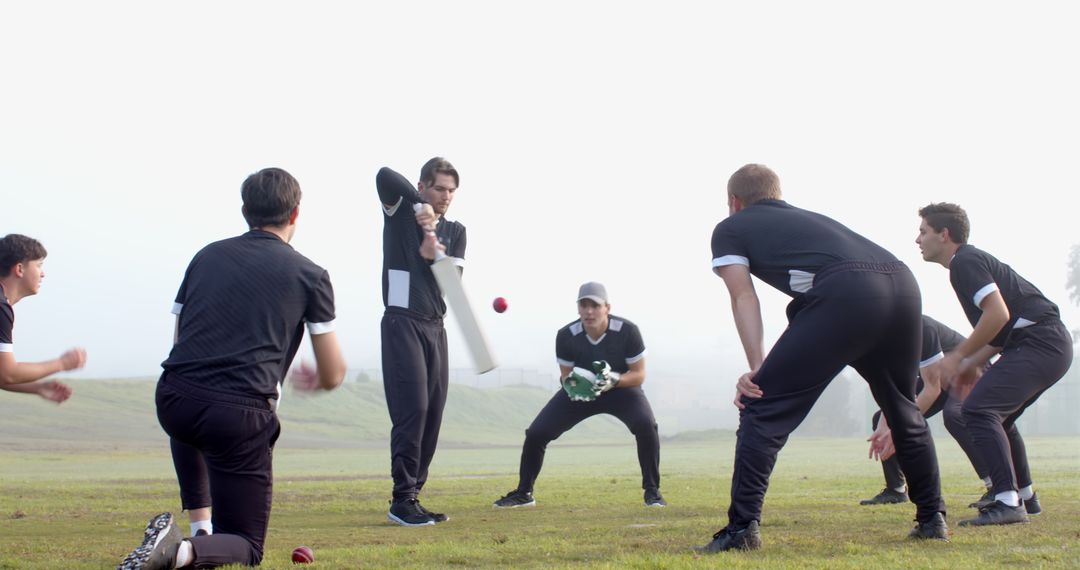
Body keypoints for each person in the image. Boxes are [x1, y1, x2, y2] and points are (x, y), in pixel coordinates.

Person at [702, 164, 946, 553]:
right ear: (778, 196)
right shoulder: (809, 220)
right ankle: (932, 518)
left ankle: (742, 529)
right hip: (902, 284)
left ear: (735, 201)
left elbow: (743, 295)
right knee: (903, 409)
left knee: (760, 404)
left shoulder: (731, 226)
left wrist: (757, 368)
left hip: (848, 290)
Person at [118, 167, 347, 569]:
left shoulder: (207, 256)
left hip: (175, 396)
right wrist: (317, 380)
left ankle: (200, 530)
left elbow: (180, 339)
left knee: (193, 419)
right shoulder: (311, 275)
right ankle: (180, 550)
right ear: (295, 214)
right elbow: (333, 373)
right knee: (246, 545)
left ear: (245, 210)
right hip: (239, 413)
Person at [917, 202, 1072, 527]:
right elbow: (1002, 330)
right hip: (1046, 343)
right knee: (996, 415)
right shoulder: (965, 265)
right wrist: (973, 362)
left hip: (1041, 342)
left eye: (923, 231)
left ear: (944, 234)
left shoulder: (965, 261)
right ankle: (1025, 497)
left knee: (976, 410)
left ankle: (1007, 502)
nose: (917, 239)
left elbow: (997, 314)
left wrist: (958, 357)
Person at [493, 282, 664, 509]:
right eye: (584, 305)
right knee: (536, 433)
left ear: (607, 307)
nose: (589, 311)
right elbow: (565, 376)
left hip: (621, 389)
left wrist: (614, 380)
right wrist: (573, 387)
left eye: (595, 305)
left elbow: (639, 374)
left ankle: (652, 492)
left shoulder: (626, 331)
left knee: (646, 425)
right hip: (582, 392)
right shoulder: (566, 335)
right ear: (578, 308)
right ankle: (524, 492)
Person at [376, 157, 466, 526]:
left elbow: (452, 283)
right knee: (411, 409)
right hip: (402, 319)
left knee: (432, 413)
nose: (446, 197)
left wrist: (436, 247)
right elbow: (384, 175)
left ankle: (414, 495)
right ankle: (401, 500)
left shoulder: (456, 230)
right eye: (440, 189)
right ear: (424, 186)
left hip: (435, 326)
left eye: (451, 191)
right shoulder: (400, 212)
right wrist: (420, 208)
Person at [860, 315, 991, 506]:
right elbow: (895, 391)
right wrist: (889, 423)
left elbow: (932, 388)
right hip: (938, 378)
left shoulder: (922, 328)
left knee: (954, 416)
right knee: (882, 417)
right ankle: (896, 490)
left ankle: (995, 486)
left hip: (970, 370)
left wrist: (899, 424)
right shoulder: (885, 342)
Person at [0, 234, 85, 402]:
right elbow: (7, 373)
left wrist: (37, 387)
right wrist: (62, 363)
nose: (43, 274)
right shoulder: (1, 307)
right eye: (39, 265)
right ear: (19, 269)